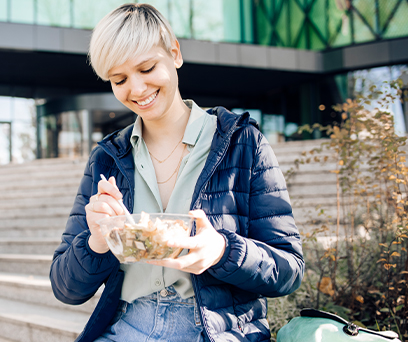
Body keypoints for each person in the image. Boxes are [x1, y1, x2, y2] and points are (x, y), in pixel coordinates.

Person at [49, 3, 304, 342]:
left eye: (148, 68)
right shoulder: (107, 158)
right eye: (120, 79)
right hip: (127, 324)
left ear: (175, 53)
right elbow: (65, 287)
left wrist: (222, 251)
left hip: (214, 332)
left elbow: (289, 269)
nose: (137, 89)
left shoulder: (242, 142)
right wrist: (96, 241)